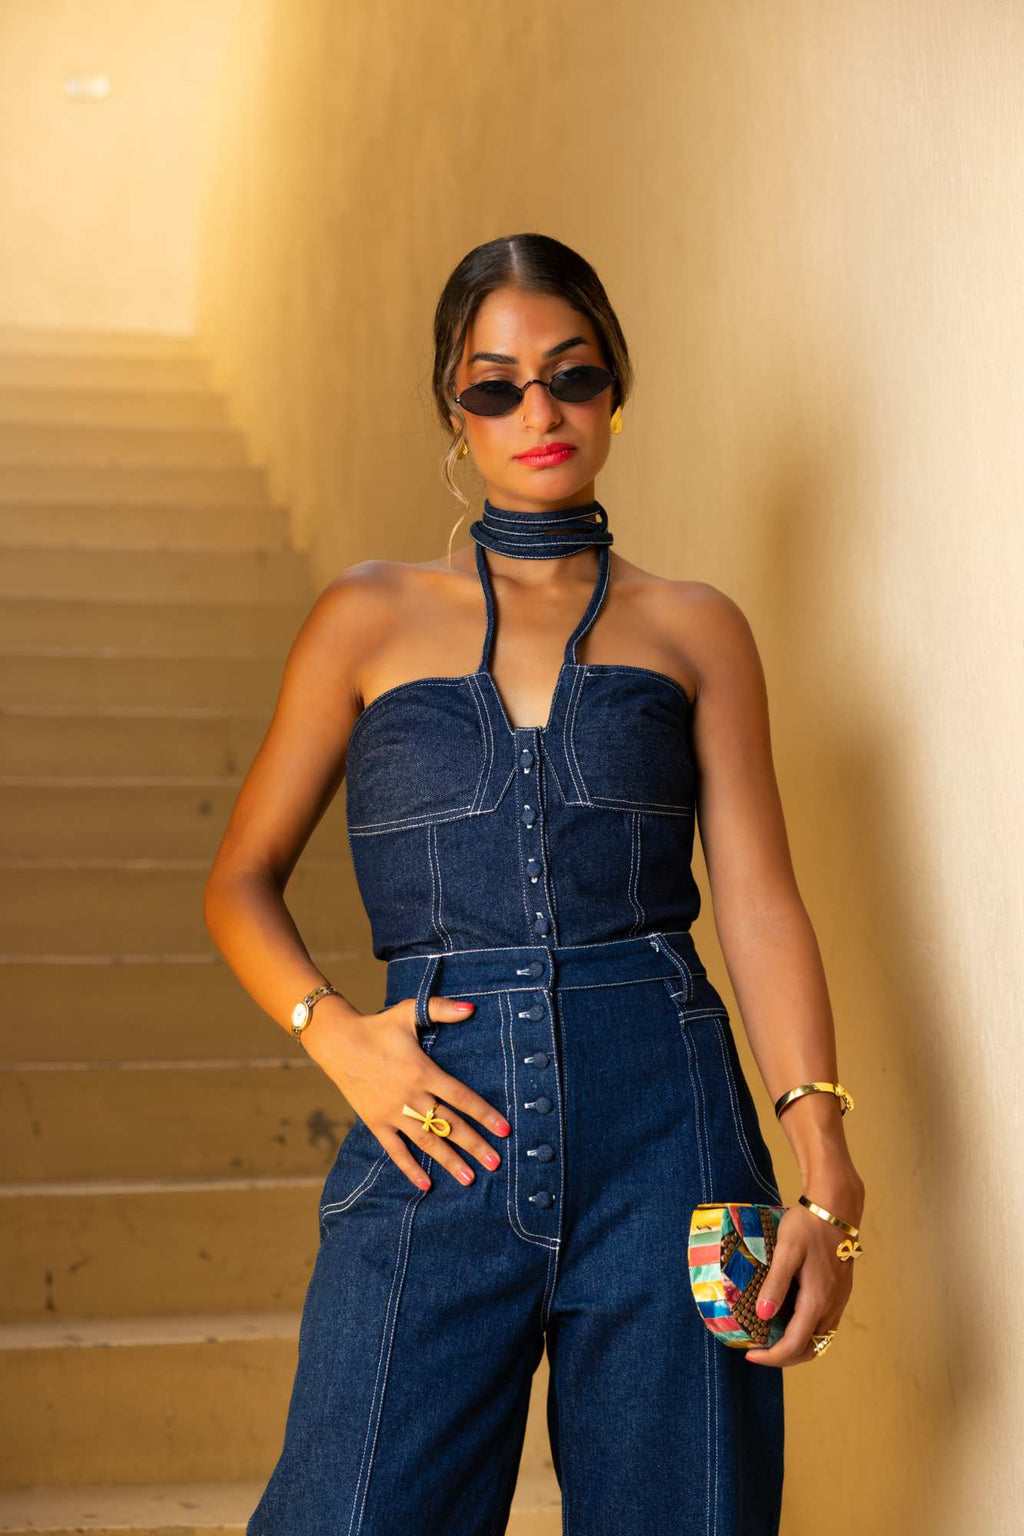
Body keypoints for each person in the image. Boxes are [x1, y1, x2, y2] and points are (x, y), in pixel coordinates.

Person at [203, 232, 866, 1536]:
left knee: (692, 1516)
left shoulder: (697, 629)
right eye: (495, 386)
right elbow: (240, 879)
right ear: (453, 412)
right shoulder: (365, 618)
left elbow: (758, 901)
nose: (539, 412)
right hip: (434, 1125)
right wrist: (336, 1038)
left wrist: (827, 1174)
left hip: (677, 1140)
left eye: (569, 376)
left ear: (615, 384)